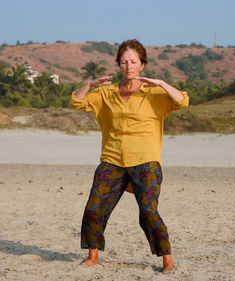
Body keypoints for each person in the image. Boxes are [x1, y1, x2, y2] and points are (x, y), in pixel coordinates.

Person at [70, 39, 188, 273]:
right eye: (123, 62)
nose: (128, 66)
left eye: (134, 61)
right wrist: (90, 83)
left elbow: (182, 100)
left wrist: (161, 83)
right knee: (95, 207)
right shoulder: (106, 93)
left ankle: (167, 259)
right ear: (118, 64)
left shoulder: (154, 92)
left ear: (142, 64)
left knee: (148, 211)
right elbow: (77, 102)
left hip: (146, 161)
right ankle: (93, 256)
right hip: (112, 159)